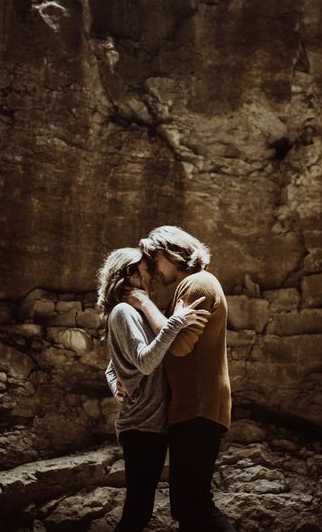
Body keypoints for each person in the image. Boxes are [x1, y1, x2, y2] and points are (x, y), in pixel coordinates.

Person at [125, 226, 235, 532]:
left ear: (167, 253)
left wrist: (145, 305)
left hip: (198, 407)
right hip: (193, 408)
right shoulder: (191, 286)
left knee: (194, 505)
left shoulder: (197, 283)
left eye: (153, 261)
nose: (154, 271)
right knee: (188, 508)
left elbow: (180, 345)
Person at [97, 246, 210, 532]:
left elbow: (115, 363)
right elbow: (146, 362)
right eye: (147, 270)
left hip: (153, 426)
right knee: (138, 512)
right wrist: (176, 322)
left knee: (140, 510)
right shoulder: (123, 312)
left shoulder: (135, 312)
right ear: (130, 275)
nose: (153, 276)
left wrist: (117, 381)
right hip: (141, 427)